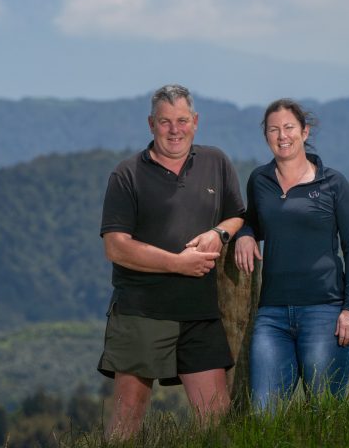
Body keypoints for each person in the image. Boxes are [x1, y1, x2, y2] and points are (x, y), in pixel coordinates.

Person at [97, 84, 246, 440]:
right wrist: (177, 264)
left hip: (200, 312)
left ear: (195, 122)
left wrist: (219, 234)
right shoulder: (127, 174)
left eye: (182, 120)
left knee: (217, 423)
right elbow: (116, 248)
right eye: (165, 122)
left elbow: (236, 214)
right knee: (125, 425)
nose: (174, 129)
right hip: (142, 311)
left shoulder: (216, 162)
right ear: (151, 124)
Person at [234, 98, 349, 412]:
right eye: (273, 129)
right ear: (266, 135)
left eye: (289, 127)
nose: (282, 136)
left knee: (323, 413)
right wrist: (246, 235)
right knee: (264, 415)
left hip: (324, 311)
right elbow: (254, 219)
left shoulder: (333, 183)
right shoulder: (259, 180)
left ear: (305, 132)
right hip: (272, 316)